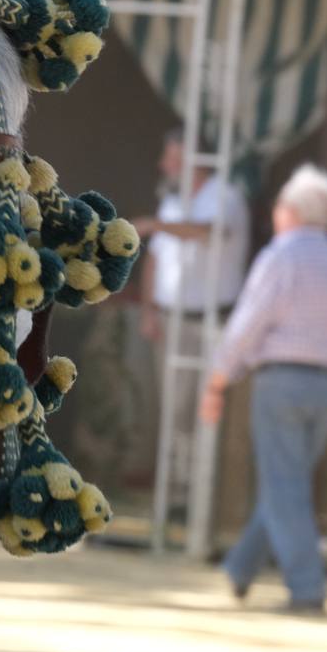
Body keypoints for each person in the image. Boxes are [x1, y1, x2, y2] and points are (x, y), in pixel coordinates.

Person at [200, 165, 327, 613]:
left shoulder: (280, 257)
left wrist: (218, 381)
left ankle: (307, 588)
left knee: (284, 484)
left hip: (282, 382)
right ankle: (241, 568)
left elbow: (247, 325)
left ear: (293, 212)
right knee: (290, 483)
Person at [131, 129, 250, 489]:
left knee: (207, 414)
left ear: (194, 161)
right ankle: (176, 494)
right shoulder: (172, 202)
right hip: (171, 321)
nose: (163, 165)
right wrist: (148, 312)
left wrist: (155, 225)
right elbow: (153, 261)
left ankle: (202, 499)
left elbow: (206, 231)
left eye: (172, 157)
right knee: (174, 413)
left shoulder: (225, 197)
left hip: (212, 321)